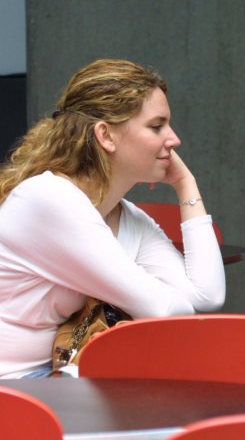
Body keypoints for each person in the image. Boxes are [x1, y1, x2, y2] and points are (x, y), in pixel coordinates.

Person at [0, 58, 226, 378]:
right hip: (15, 387)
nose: (174, 140)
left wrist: (185, 184)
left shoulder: (126, 216)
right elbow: (165, 311)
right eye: (156, 126)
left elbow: (207, 297)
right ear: (106, 136)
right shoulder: (48, 199)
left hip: (58, 378)